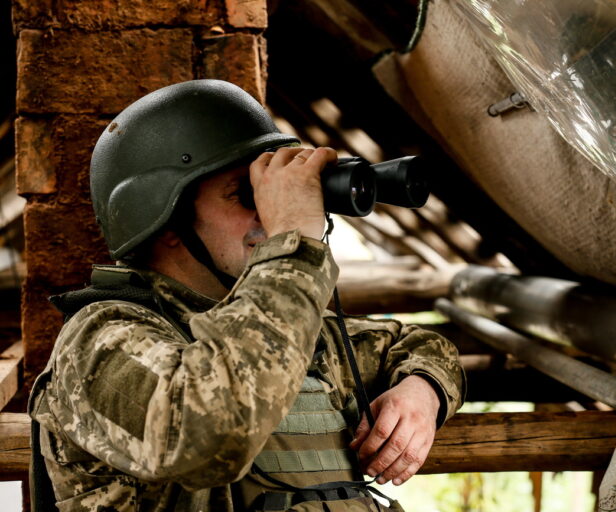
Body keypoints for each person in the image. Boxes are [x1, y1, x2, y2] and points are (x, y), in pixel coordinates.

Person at [28, 79, 465, 511]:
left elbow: (422, 346)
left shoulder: (294, 335)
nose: (269, 214)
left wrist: (422, 393)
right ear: (168, 223)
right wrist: (293, 236)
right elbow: (212, 433)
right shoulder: (98, 343)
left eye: (271, 195)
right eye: (245, 195)